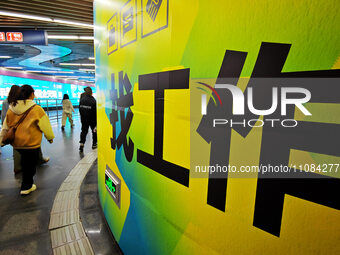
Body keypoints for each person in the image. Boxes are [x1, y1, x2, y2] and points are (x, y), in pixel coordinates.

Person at [0, 85, 54, 195]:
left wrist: (1, 140)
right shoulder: (36, 109)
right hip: (31, 143)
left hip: (17, 144)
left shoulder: (11, 109)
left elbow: (5, 126)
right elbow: (45, 125)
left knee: (25, 162)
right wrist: (50, 137)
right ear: (31, 94)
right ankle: (26, 186)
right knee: (30, 165)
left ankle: (26, 183)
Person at [79, 86, 97, 152]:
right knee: (94, 131)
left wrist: (82, 117)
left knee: (84, 131)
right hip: (92, 119)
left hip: (84, 118)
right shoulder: (93, 100)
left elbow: (80, 109)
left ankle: (81, 143)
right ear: (91, 93)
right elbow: (95, 111)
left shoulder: (82, 100)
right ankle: (94, 144)